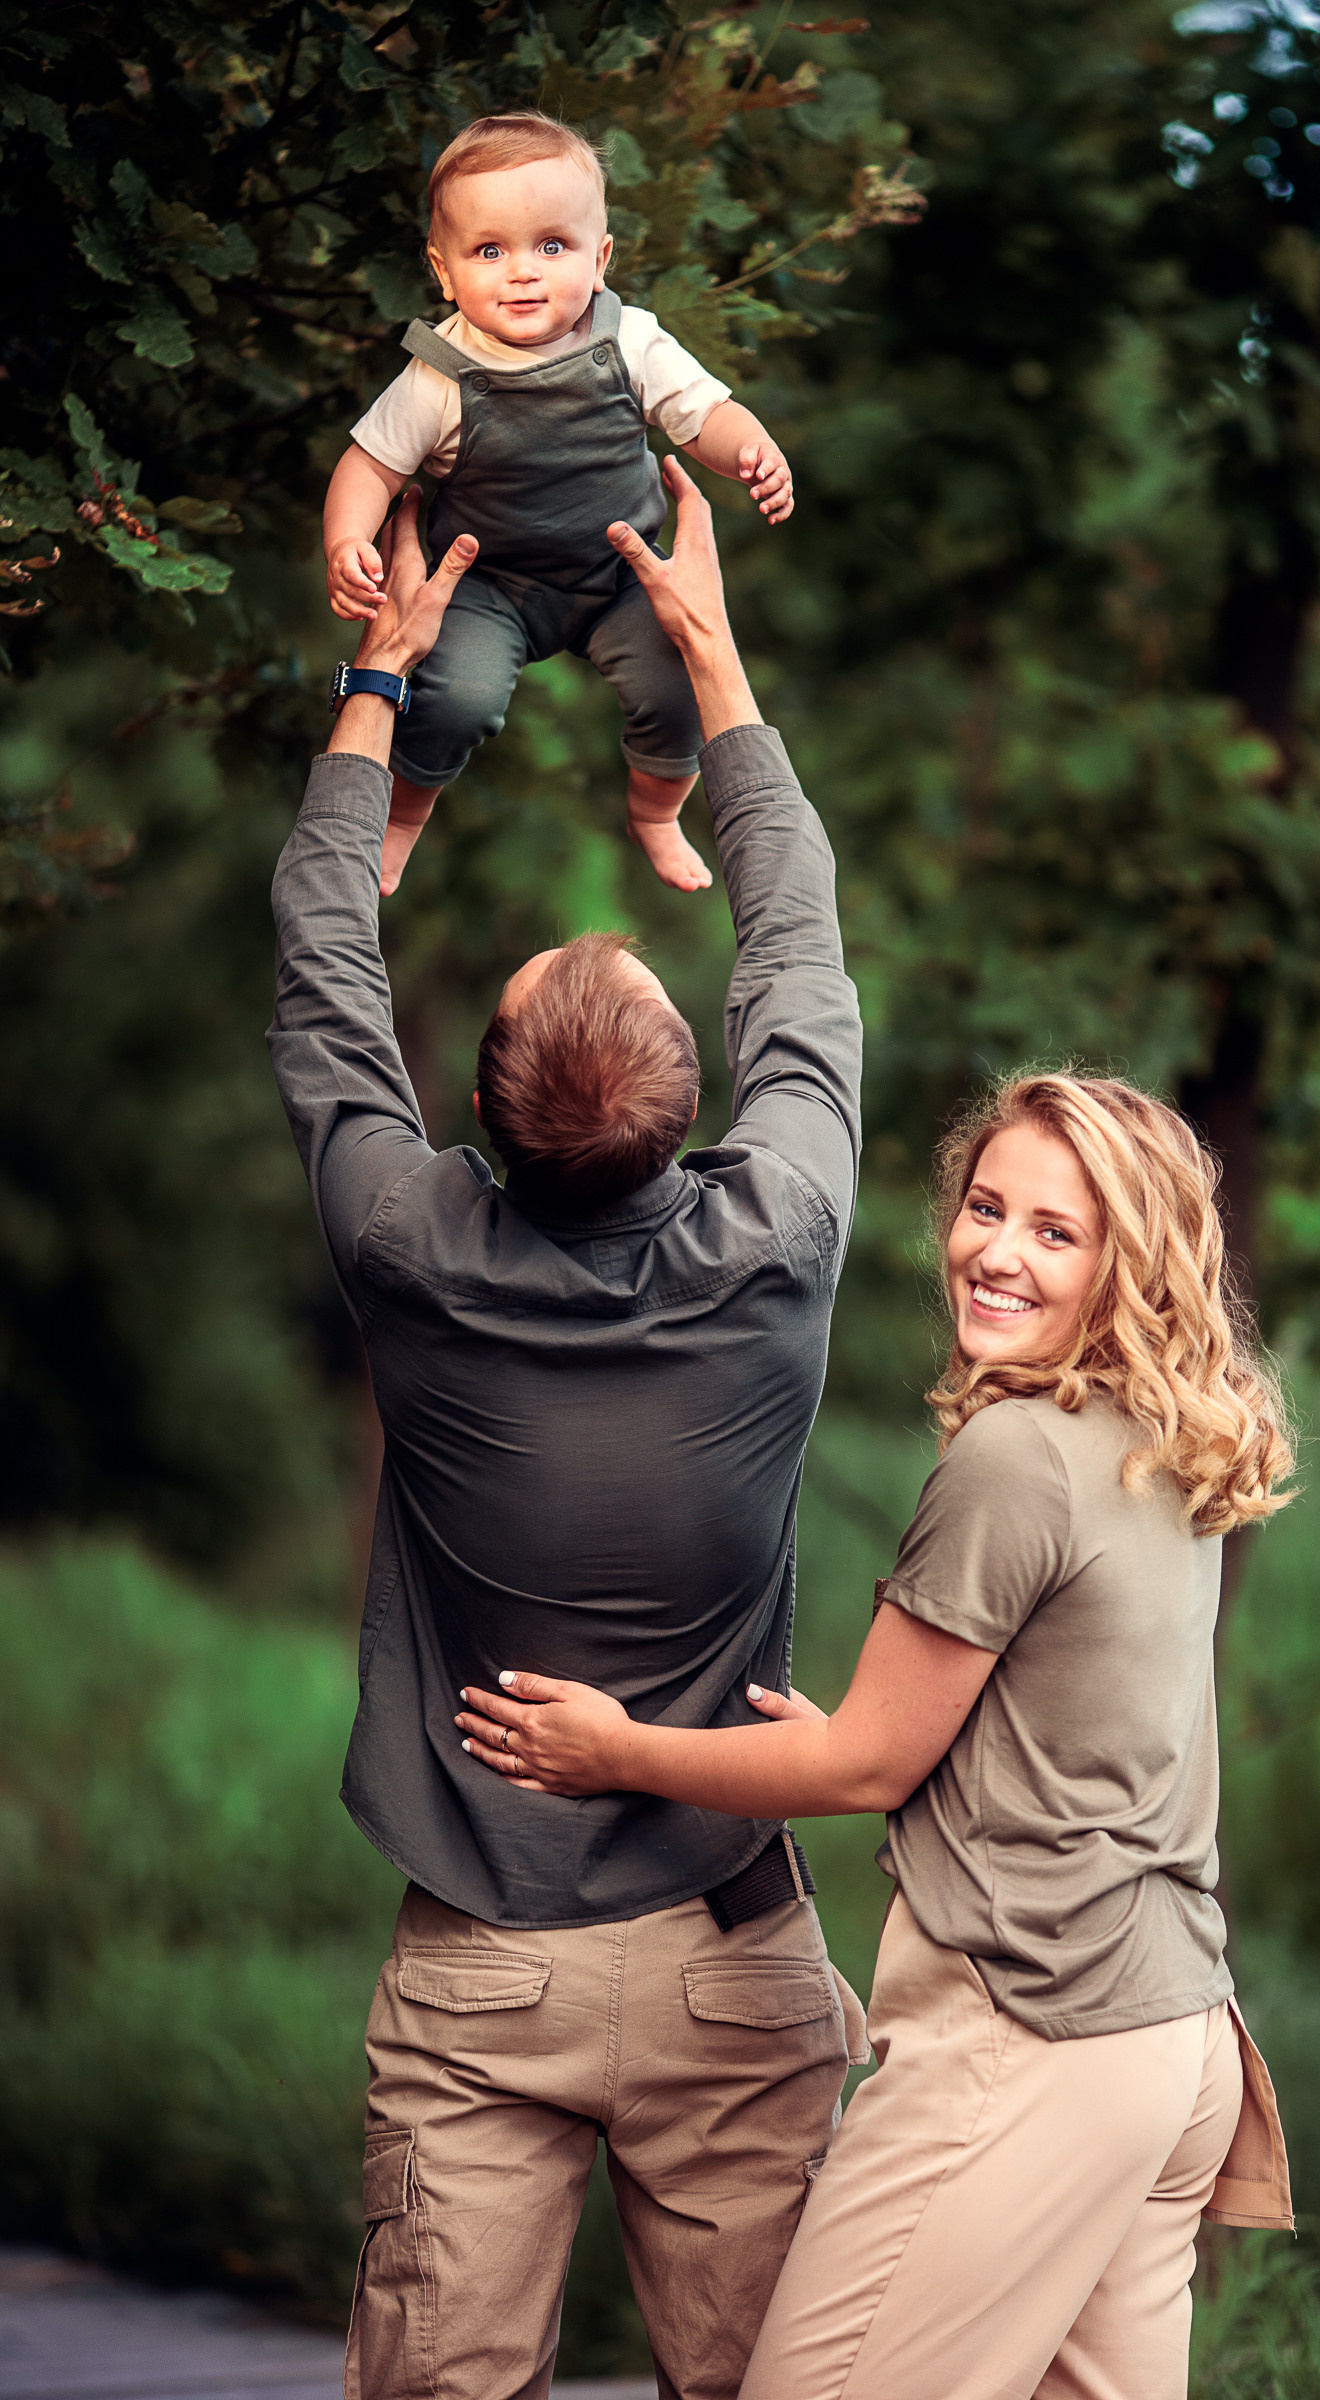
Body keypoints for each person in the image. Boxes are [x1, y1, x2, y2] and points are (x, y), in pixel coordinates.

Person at [270, 459, 866, 2400]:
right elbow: (795, 946)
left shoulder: (404, 1239)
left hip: (480, 1966)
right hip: (728, 1956)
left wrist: (379, 687)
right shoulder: (771, 1236)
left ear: (486, 1119)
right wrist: (711, 667)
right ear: (689, 1118)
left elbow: (318, 967)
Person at [458, 1072, 1299, 2400]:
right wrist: (867, 1737)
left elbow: (863, 1764)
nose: (997, 1252)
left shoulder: (1016, 1459)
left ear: (1127, 1265)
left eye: (1056, 1231)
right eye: (986, 1207)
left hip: (1032, 2037)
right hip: (1174, 2041)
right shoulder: (1164, 1447)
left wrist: (615, 1751)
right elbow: (1064, 1736)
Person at [323, 110, 794, 899]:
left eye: (552, 246)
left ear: (600, 257)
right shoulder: (440, 372)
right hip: (489, 586)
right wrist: (346, 541)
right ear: (443, 272)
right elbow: (368, 465)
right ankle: (402, 819)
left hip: (621, 576)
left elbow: (703, 414)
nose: (522, 272)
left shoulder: (629, 342)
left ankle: (654, 811)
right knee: (449, 700)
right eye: (489, 250)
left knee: (679, 688)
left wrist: (751, 448)